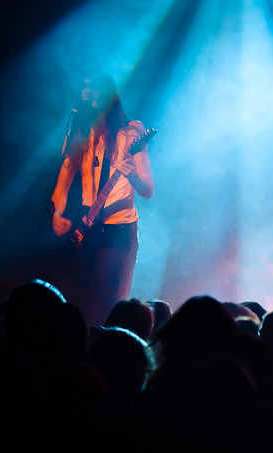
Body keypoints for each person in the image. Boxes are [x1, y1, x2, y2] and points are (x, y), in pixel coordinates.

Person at [51, 71, 154, 326]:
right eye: (86, 87)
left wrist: (133, 178)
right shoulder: (79, 134)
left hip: (120, 229)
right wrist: (57, 214)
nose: (91, 92)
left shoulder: (131, 133)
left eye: (96, 87)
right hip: (87, 228)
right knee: (82, 305)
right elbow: (62, 183)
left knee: (113, 309)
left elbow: (148, 189)